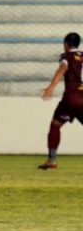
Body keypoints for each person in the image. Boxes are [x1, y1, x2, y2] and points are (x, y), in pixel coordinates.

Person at [38, 32, 83, 170]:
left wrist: (51, 87)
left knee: (55, 124)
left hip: (71, 97)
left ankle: (52, 160)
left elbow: (62, 68)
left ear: (66, 44)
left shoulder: (66, 57)